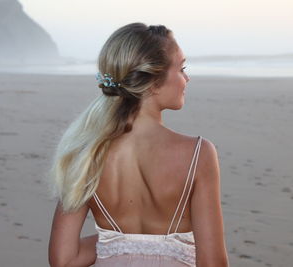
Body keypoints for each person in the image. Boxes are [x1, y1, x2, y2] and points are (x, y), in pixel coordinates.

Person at [48, 22, 229, 267]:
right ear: (153, 81)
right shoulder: (198, 153)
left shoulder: (86, 153)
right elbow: (213, 263)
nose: (187, 77)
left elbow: (65, 259)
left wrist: (119, 244)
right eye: (182, 68)